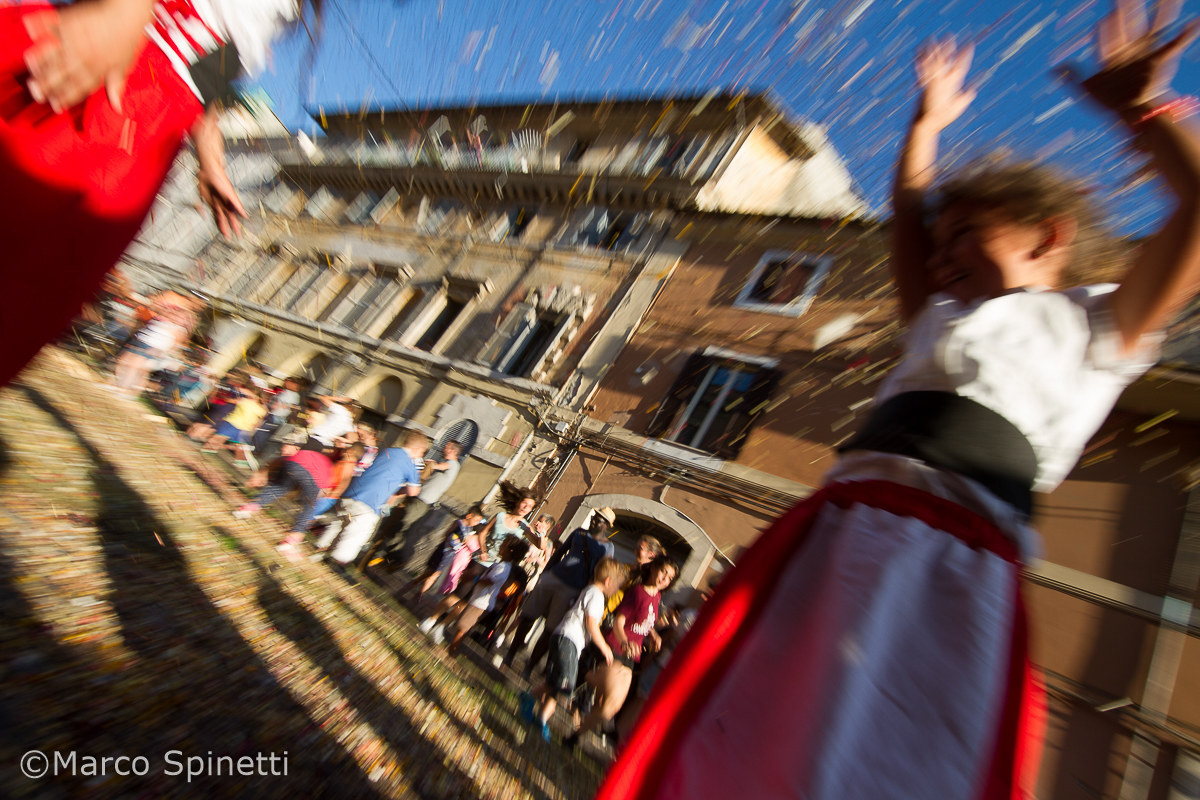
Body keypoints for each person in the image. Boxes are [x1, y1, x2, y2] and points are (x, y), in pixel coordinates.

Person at [598, 5, 1200, 798]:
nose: (941, 258)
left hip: (957, 562)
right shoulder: (939, 318)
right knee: (756, 719)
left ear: (1047, 239)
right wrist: (926, 125)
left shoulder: (1100, 323)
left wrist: (1143, 112)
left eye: (965, 239)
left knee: (887, 754)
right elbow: (908, 225)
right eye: (940, 245)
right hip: (839, 529)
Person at [0, 0, 308, 387]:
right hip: (116, 68)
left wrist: (211, 158)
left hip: (150, 135)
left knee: (24, 300)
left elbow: (208, 73)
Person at [564, 556, 675, 750]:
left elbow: (644, 622)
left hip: (633, 656)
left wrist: (654, 634)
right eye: (663, 572)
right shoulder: (637, 592)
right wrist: (625, 642)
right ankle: (578, 674)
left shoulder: (657, 598)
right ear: (654, 568)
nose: (665, 579)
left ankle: (575, 736)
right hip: (616, 646)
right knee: (608, 697)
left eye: (670, 578)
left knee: (610, 709)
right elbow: (619, 622)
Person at [519, 557, 627, 742]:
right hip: (567, 639)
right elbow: (591, 624)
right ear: (608, 581)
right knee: (565, 684)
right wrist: (605, 647)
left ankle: (542, 720)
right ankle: (528, 697)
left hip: (570, 642)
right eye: (617, 586)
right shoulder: (596, 595)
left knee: (557, 683)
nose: (617, 590)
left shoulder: (591, 592)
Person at [503, 507, 617, 676]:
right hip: (554, 577)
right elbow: (560, 553)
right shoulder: (579, 533)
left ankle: (529, 667)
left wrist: (585, 594)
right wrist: (546, 573)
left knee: (550, 629)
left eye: (599, 520)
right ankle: (509, 656)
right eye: (594, 517)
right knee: (528, 615)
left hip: (573, 589)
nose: (594, 520)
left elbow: (601, 573)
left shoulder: (608, 548)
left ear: (606, 525)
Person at [313, 430, 427, 565]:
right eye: (422, 452)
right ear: (417, 449)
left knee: (342, 524)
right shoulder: (410, 465)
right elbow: (414, 491)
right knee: (356, 535)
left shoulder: (387, 451)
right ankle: (336, 562)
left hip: (352, 494)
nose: (420, 455)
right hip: (370, 503)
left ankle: (320, 549)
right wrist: (402, 489)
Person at [418, 537, 531, 656]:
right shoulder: (501, 565)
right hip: (478, 601)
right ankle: (449, 644)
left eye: (504, 545)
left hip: (481, 603)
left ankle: (452, 651)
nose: (500, 546)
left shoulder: (503, 568)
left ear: (510, 551)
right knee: (463, 627)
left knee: (462, 628)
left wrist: (474, 578)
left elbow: (489, 581)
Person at [404, 503, 487, 598]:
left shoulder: (469, 530)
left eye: (478, 522)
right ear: (469, 516)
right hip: (443, 550)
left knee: (431, 573)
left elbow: (464, 541)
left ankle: (412, 586)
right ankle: (418, 595)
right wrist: (453, 540)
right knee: (433, 574)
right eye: (476, 520)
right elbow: (447, 534)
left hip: (450, 554)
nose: (476, 523)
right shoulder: (458, 523)